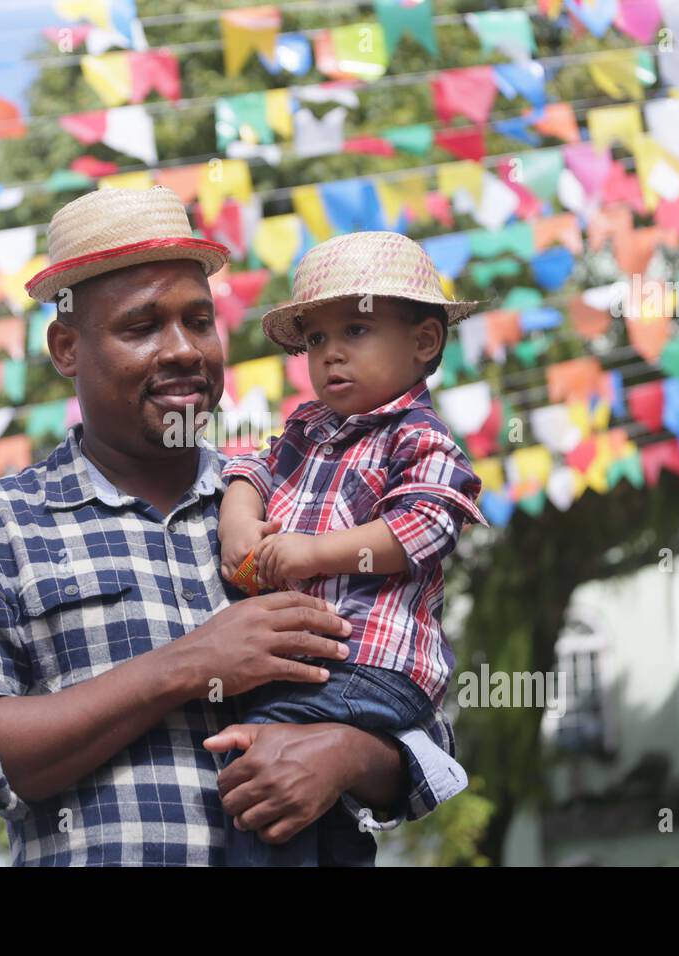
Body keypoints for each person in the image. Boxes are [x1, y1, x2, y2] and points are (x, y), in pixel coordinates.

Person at [0, 187, 468, 866]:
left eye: (199, 321)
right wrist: (187, 666)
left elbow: (426, 733)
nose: (183, 351)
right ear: (67, 348)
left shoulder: (298, 505)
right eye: (142, 327)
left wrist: (345, 755)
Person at [218, 231, 488, 866]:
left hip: (369, 664)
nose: (331, 355)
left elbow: (426, 525)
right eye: (316, 339)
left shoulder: (419, 437)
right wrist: (238, 512)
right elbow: (252, 470)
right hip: (321, 665)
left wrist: (315, 553)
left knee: (261, 753)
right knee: (321, 803)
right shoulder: (306, 429)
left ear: (424, 342)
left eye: (356, 332)